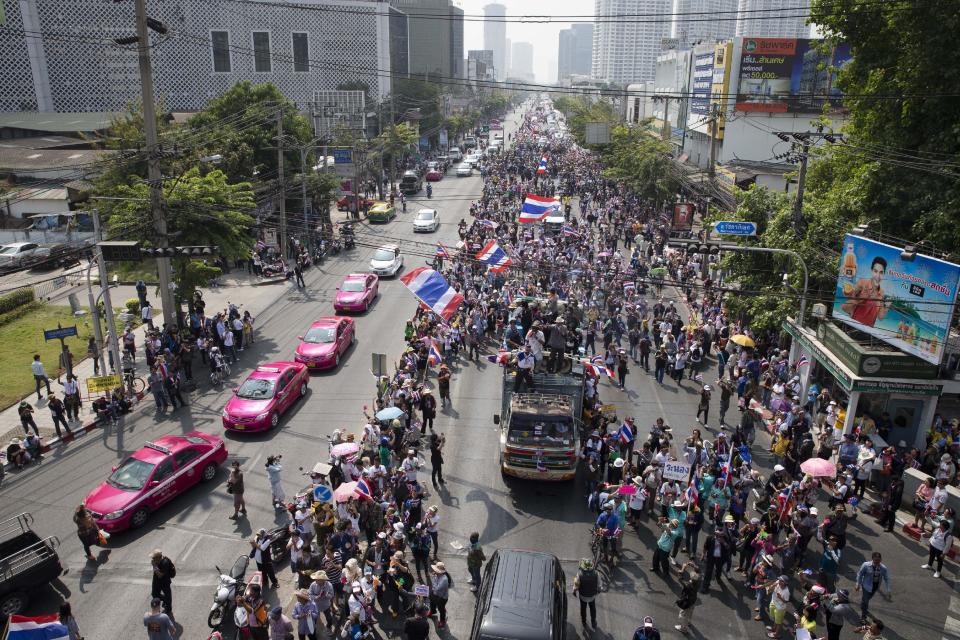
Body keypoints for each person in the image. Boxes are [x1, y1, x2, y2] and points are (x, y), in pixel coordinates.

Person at [855, 552, 891, 623]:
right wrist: (858, 584)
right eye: (876, 560)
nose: (877, 562)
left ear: (881, 559)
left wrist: (888, 590)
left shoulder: (883, 568)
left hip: (875, 587)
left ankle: (863, 606)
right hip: (866, 586)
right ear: (872, 559)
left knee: (866, 599)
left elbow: (887, 578)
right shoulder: (866, 565)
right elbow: (860, 574)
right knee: (866, 601)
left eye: (879, 560)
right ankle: (863, 617)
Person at [573, 558, 600, 629]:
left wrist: (574, 591)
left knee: (583, 609)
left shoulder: (579, 574)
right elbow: (599, 585)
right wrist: (598, 591)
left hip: (583, 596)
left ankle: (584, 622)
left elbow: (576, 585)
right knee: (593, 609)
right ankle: (593, 622)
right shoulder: (596, 573)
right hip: (592, 596)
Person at [675, 561, 701, 634]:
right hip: (693, 600)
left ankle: (683, 628)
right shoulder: (699, 580)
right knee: (691, 611)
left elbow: (680, 578)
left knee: (683, 615)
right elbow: (698, 571)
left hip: (687, 601)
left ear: (692, 579)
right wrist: (694, 565)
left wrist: (683, 568)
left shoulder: (688, 585)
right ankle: (689, 622)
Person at [150, 550, 175, 618]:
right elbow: (156, 573)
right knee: (154, 593)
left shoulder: (165, 563)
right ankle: (165, 600)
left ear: (158, 558)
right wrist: (155, 565)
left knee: (168, 595)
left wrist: (154, 566)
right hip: (156, 580)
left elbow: (160, 575)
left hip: (164, 581)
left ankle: (168, 609)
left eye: (154, 558)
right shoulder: (157, 561)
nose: (152, 559)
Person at [429, 561, 450, 629]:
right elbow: (434, 587)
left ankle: (442, 620)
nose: (434, 571)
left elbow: (437, 589)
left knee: (441, 609)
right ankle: (432, 611)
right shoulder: (437, 575)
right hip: (435, 593)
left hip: (442, 597)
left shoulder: (444, 579)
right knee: (432, 601)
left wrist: (434, 579)